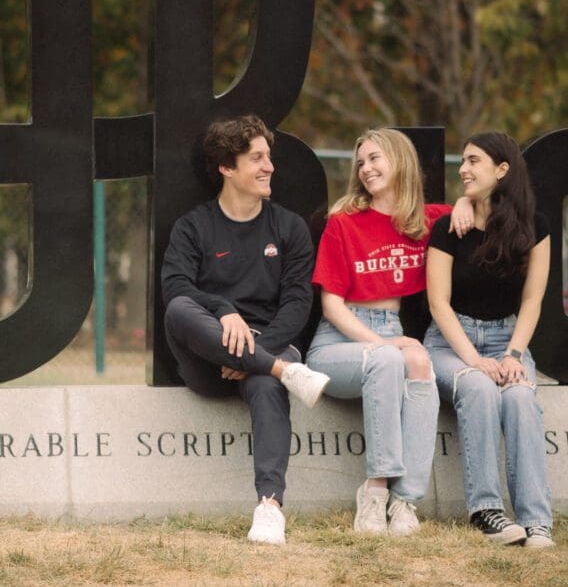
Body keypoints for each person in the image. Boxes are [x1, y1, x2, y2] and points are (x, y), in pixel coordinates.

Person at [161, 114, 330, 545]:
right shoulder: (193, 227)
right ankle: (283, 371)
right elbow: (176, 288)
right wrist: (223, 312)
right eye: (256, 158)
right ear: (226, 167)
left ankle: (270, 507)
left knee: (265, 383)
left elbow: (298, 303)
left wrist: (256, 351)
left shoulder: (289, 227)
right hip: (210, 360)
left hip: (270, 345)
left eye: (268, 156)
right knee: (179, 309)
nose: (269, 166)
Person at [306, 127, 473, 536]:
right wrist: (383, 343)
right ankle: (375, 490)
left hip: (390, 332)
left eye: (374, 158)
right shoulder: (344, 222)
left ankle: (405, 501)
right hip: (338, 342)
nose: (366, 168)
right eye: (361, 162)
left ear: (400, 160)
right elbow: (331, 306)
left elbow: (482, 207)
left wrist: (467, 201)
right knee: (389, 358)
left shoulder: (428, 220)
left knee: (419, 361)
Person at [425, 132, 554, 548]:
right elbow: (438, 303)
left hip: (506, 338)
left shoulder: (535, 227)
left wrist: (514, 354)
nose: (463, 169)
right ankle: (486, 511)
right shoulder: (449, 227)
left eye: (473, 161)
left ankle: (537, 521)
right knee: (479, 386)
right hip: (450, 342)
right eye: (462, 160)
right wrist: (473, 359)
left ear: (502, 170)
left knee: (519, 397)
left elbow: (532, 300)